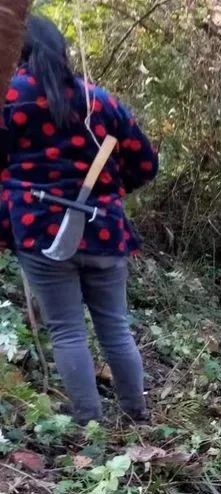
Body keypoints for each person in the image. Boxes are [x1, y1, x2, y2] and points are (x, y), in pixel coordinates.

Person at [0, 16, 158, 425]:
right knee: (116, 328)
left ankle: (90, 423)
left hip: (40, 234)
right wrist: (109, 192)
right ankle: (136, 411)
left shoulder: (8, 100)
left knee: (68, 331)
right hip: (104, 230)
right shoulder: (98, 101)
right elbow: (145, 163)